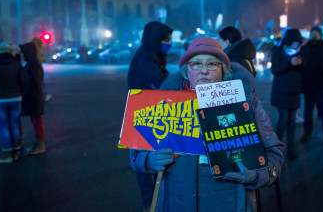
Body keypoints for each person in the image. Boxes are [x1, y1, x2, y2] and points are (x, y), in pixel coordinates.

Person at [130, 37, 284, 211]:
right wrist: (149, 160)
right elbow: (136, 155)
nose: (203, 71)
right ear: (187, 70)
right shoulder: (164, 105)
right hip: (176, 204)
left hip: (230, 205)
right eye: (196, 64)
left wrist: (259, 175)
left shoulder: (245, 102)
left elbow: (274, 151)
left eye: (212, 64)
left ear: (223, 70)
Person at [127, 21, 173, 211]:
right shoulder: (146, 58)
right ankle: (149, 205)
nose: (169, 42)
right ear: (157, 39)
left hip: (151, 114)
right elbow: (162, 83)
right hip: (142, 115)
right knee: (144, 162)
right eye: (166, 39)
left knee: (154, 160)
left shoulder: (154, 55)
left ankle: (155, 201)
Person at [271, 29, 303, 158]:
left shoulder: (300, 52)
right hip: (281, 91)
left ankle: (291, 148)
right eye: (294, 42)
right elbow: (275, 70)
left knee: (292, 122)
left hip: (294, 90)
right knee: (283, 120)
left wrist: (302, 64)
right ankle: (277, 148)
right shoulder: (278, 51)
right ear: (289, 41)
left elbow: (304, 71)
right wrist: (290, 63)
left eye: (298, 42)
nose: (296, 45)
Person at [300, 26, 323, 143]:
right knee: (307, 112)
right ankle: (307, 133)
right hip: (308, 86)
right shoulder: (304, 49)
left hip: (322, 86)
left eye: (316, 33)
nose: (314, 34)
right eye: (313, 32)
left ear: (320, 35)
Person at [19, 42, 46, 155]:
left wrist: (25, 92)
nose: (22, 54)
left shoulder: (33, 64)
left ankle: (40, 145)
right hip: (34, 97)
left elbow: (35, 81)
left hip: (34, 97)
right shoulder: (32, 63)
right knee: (36, 121)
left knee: (37, 121)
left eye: (24, 52)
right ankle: (39, 144)